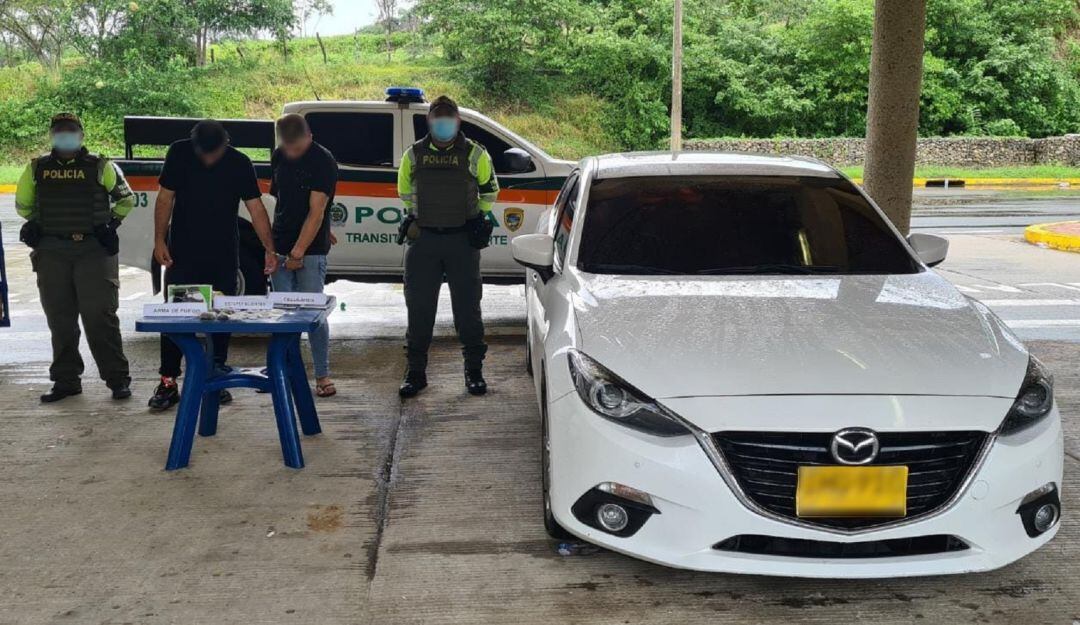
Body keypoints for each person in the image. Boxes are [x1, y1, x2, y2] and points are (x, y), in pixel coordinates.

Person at [148, 120, 278, 410]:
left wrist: (269, 248)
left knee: (221, 315)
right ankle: (168, 380)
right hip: (184, 252)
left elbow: (255, 207)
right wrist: (159, 239)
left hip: (222, 254)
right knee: (176, 316)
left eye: (213, 153)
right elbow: (165, 198)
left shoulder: (239, 162)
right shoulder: (179, 153)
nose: (207, 158)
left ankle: (215, 373)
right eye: (202, 153)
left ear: (225, 144)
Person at [15, 113, 133, 402]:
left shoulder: (101, 166)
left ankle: (117, 379)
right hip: (52, 251)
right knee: (60, 319)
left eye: (70, 131)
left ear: (81, 136)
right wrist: (39, 224)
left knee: (99, 317)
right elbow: (23, 205)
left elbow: (125, 199)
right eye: (59, 131)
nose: (65, 135)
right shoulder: (36, 168)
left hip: (93, 251)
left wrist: (111, 225)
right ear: (52, 135)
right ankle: (66, 380)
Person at [396, 95, 500, 397]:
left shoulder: (475, 154)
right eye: (437, 120)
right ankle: (415, 373)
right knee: (419, 309)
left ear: (458, 121)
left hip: (461, 240)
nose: (443, 125)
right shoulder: (413, 154)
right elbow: (404, 191)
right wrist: (420, 215)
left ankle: (474, 371)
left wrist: (475, 216)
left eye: (448, 120)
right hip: (424, 240)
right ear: (429, 121)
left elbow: (490, 189)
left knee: (468, 309)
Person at [269, 113, 338, 398]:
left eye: (296, 148)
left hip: (309, 251)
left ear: (309, 136)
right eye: (287, 148)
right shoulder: (279, 156)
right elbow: (281, 201)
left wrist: (299, 251)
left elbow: (316, 211)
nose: (292, 153)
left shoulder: (323, 161)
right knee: (283, 315)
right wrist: (273, 247)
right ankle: (284, 372)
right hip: (281, 244)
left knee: (313, 315)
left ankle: (322, 375)